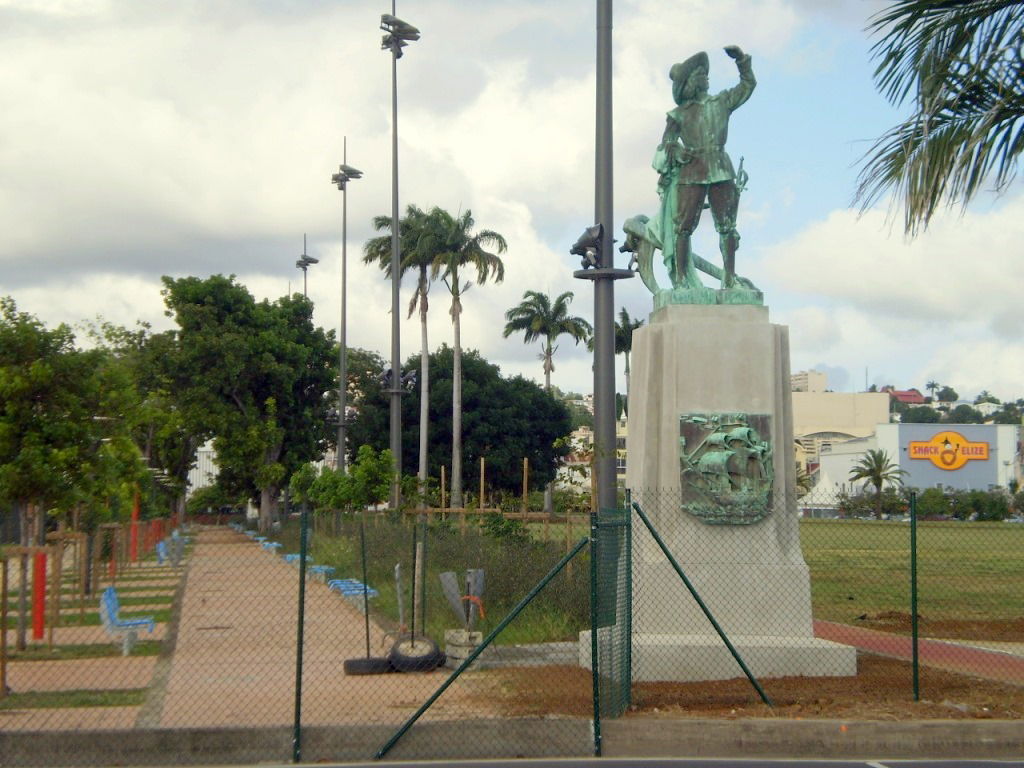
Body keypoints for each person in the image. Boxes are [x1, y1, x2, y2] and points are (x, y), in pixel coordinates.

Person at [654, 46, 755, 289]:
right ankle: (681, 283)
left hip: (721, 168)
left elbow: (747, 86)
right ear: (690, 82)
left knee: (727, 227)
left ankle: (729, 281)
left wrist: (742, 62)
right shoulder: (678, 114)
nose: (706, 76)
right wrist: (675, 149)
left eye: (705, 73)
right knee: (683, 228)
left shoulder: (721, 102)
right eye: (700, 74)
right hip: (692, 171)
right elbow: (666, 142)